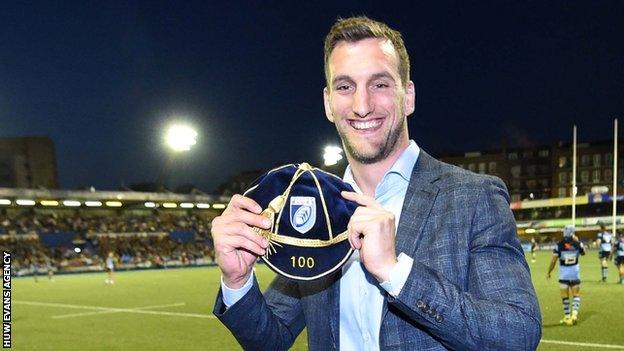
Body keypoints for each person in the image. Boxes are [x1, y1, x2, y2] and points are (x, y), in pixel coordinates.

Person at [211, 16, 541, 350]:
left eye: (380, 84)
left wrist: (395, 272)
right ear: (328, 103)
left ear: (407, 95)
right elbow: (271, 339)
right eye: (345, 87)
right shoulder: (318, 210)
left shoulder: (474, 197)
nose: (362, 105)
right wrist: (237, 281)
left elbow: (517, 335)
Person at [547, 225, 585, 326]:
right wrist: (577, 241)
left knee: (565, 296)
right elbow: (584, 253)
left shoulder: (559, 244)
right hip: (575, 273)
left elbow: (554, 260)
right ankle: (574, 315)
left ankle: (567, 316)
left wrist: (549, 272)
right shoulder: (578, 244)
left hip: (564, 274)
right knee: (576, 295)